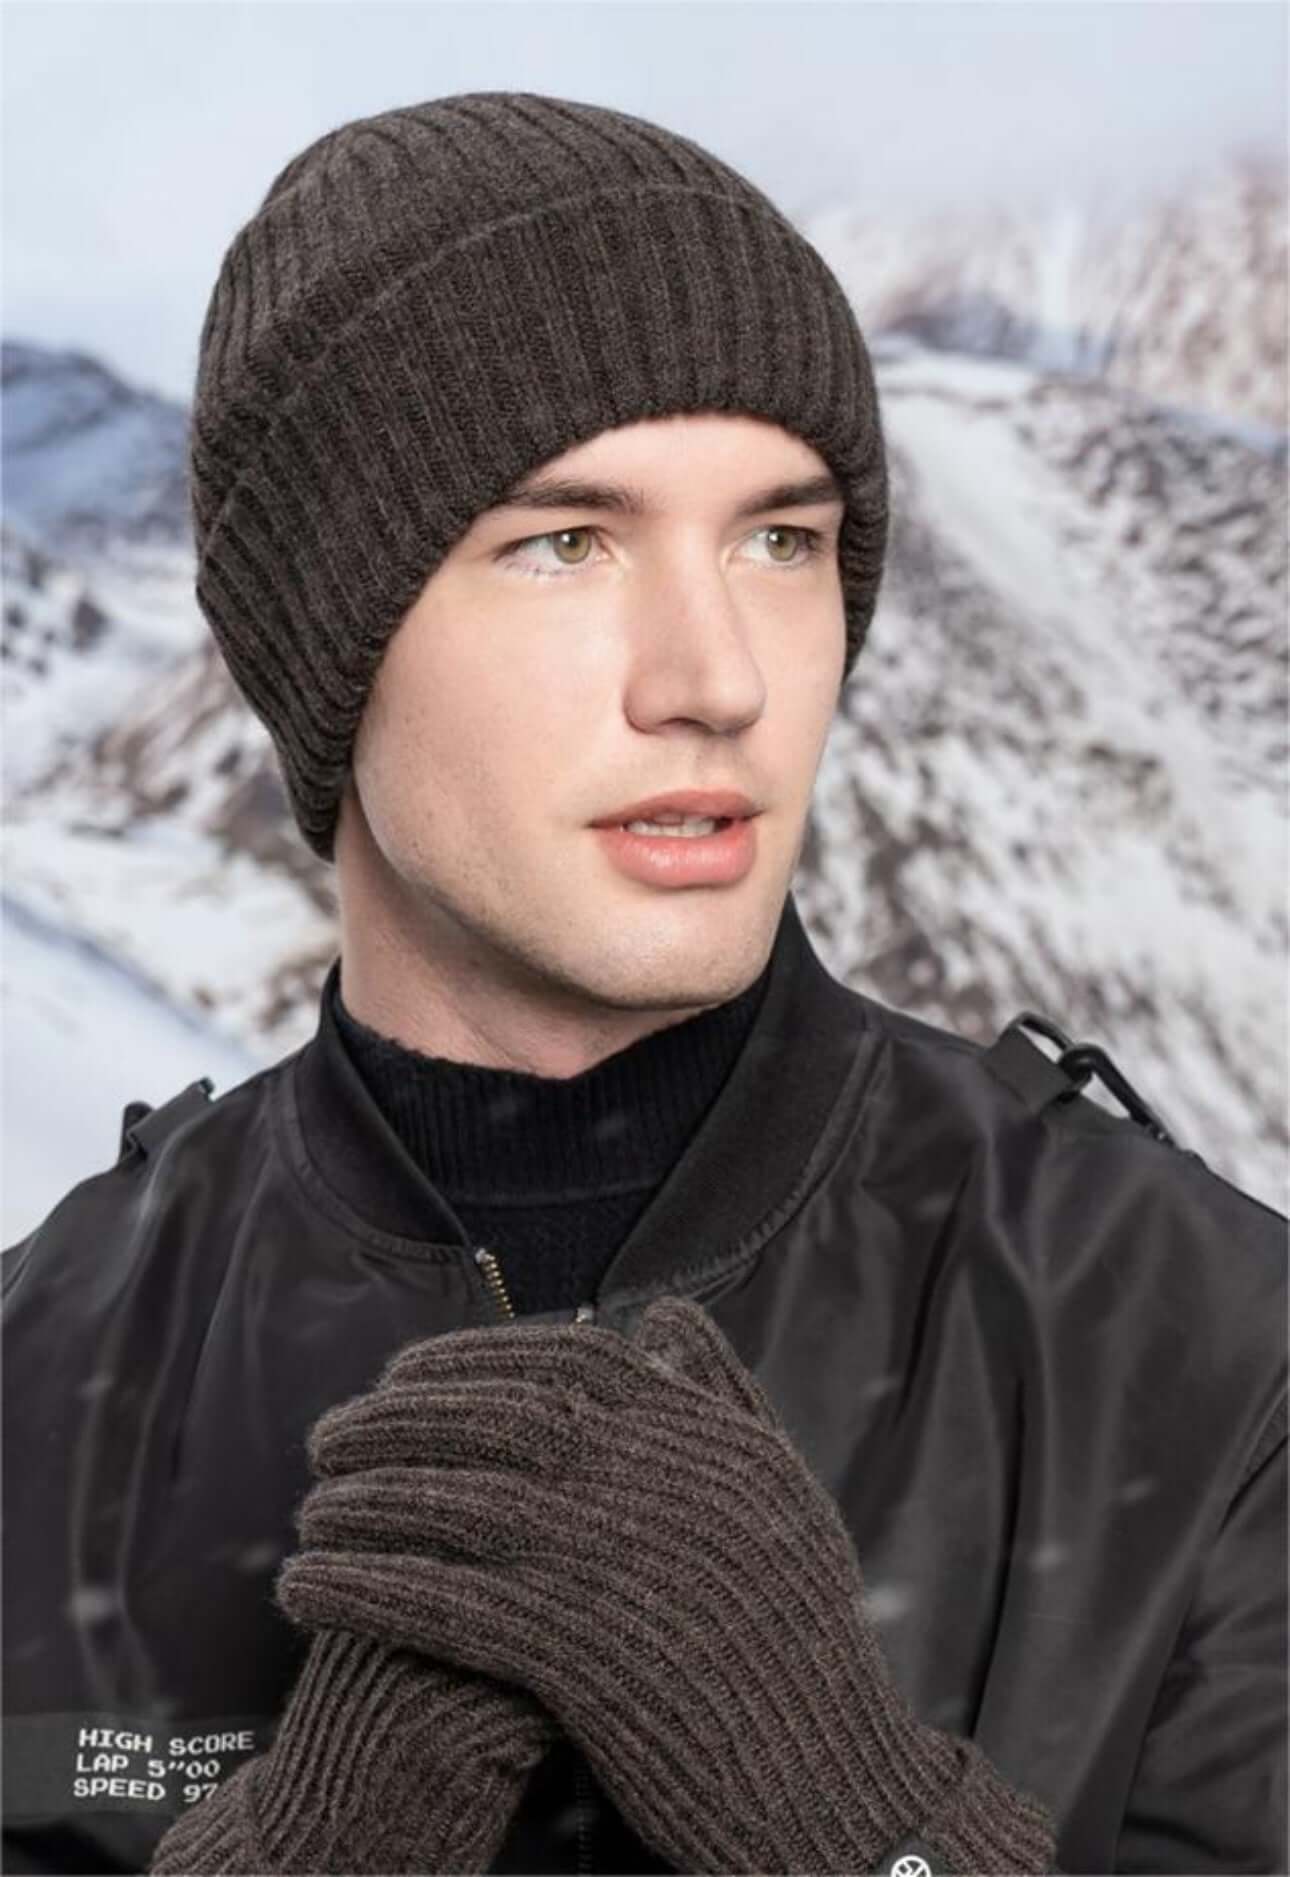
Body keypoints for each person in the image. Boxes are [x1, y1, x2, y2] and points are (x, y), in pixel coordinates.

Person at [2, 90, 1284, 1877]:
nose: (717, 679)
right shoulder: (39, 1383)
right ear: (323, 644)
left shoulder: (1207, 1356)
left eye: (781, 537)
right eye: (564, 541)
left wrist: (855, 1829)